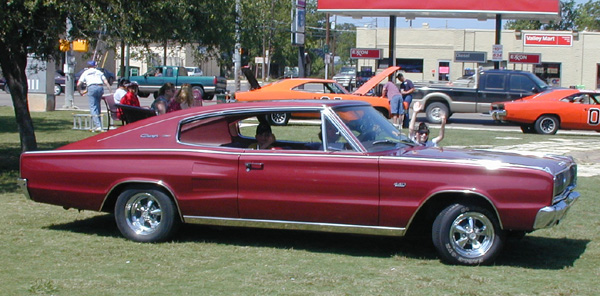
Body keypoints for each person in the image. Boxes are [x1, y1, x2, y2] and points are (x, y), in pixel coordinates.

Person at [77, 60, 111, 132]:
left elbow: (78, 84)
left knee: (93, 107)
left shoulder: (85, 72)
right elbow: (106, 82)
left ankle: (98, 126)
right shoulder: (99, 72)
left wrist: (80, 92)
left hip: (91, 87)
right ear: (95, 66)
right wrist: (110, 91)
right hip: (100, 87)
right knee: (97, 106)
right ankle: (99, 124)